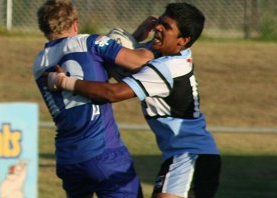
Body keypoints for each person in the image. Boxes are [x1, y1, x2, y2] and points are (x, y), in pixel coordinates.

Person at [47, 3, 221, 198]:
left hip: (191, 155)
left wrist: (65, 82)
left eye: (167, 27)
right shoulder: (166, 53)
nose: (158, 28)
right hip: (182, 155)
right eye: (160, 22)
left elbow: (112, 93)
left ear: (183, 40)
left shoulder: (167, 68)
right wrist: (137, 35)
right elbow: (129, 56)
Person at [33, 0, 154, 197]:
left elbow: (93, 72)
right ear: (75, 23)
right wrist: (153, 43)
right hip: (103, 152)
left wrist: (134, 37)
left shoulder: (39, 62)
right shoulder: (89, 42)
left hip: (67, 157)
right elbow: (140, 61)